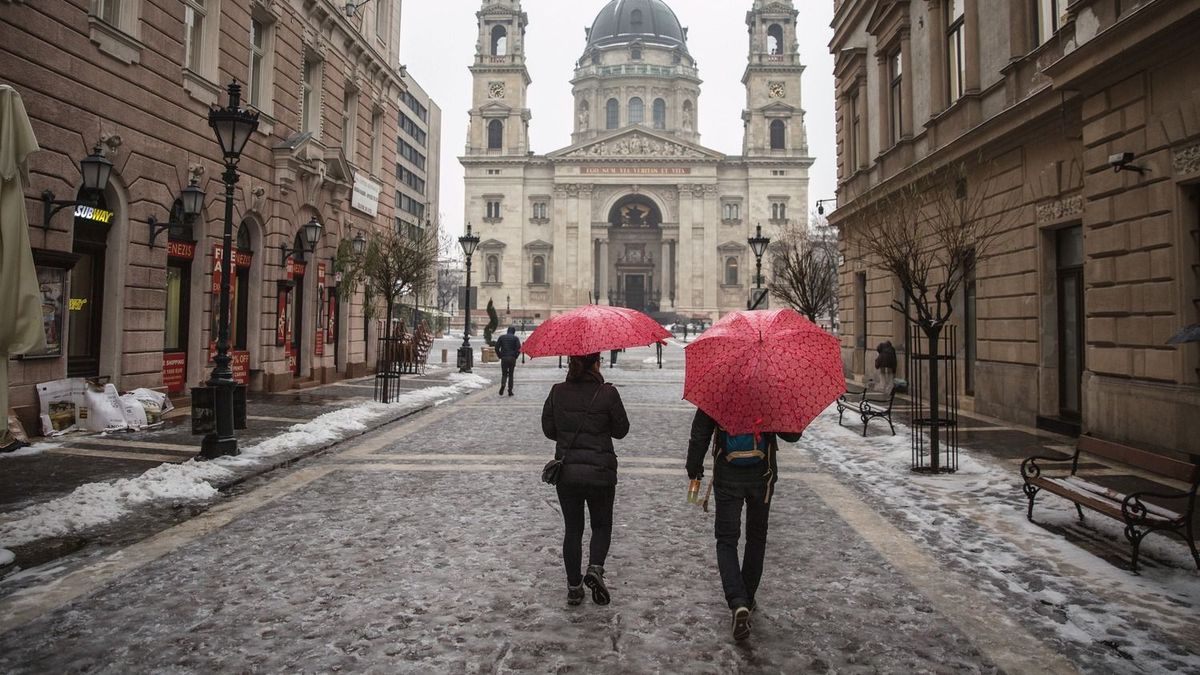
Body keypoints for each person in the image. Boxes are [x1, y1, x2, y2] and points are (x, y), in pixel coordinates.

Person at [686, 410, 801, 641]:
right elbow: (792, 435)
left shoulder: (718, 389)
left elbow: (700, 433)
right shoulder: (769, 389)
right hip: (763, 476)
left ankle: (737, 600)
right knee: (756, 538)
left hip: (727, 476)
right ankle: (746, 597)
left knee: (727, 540)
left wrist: (694, 467)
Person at [542, 353, 630, 606]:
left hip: (568, 472)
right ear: (596, 363)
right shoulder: (607, 393)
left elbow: (549, 430)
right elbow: (621, 430)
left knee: (573, 529)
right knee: (601, 526)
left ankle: (573, 587)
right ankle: (595, 567)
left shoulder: (558, 391)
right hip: (601, 471)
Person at [496, 326, 521, 396]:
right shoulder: (515, 338)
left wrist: (500, 356)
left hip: (504, 357)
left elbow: (496, 347)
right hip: (512, 358)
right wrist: (515, 356)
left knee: (504, 374)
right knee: (511, 375)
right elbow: (519, 348)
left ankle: (503, 384)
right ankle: (510, 390)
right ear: (513, 332)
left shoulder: (502, 337)